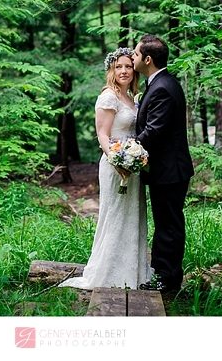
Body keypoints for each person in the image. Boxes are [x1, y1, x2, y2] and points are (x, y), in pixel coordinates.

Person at [59, 47, 154, 290]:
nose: (124, 71)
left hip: (132, 167)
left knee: (132, 216)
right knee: (114, 215)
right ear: (111, 70)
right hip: (115, 167)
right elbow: (103, 135)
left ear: (134, 70)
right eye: (119, 66)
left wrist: (133, 160)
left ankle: (133, 271)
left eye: (128, 66)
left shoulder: (132, 99)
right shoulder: (108, 97)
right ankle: (108, 272)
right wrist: (117, 161)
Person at [133, 35, 193, 293]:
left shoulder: (162, 88)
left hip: (169, 170)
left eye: (135, 55)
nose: (132, 58)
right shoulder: (159, 83)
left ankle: (167, 280)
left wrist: (127, 150)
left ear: (148, 59)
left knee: (168, 226)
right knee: (166, 224)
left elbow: (154, 131)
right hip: (166, 170)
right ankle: (163, 274)